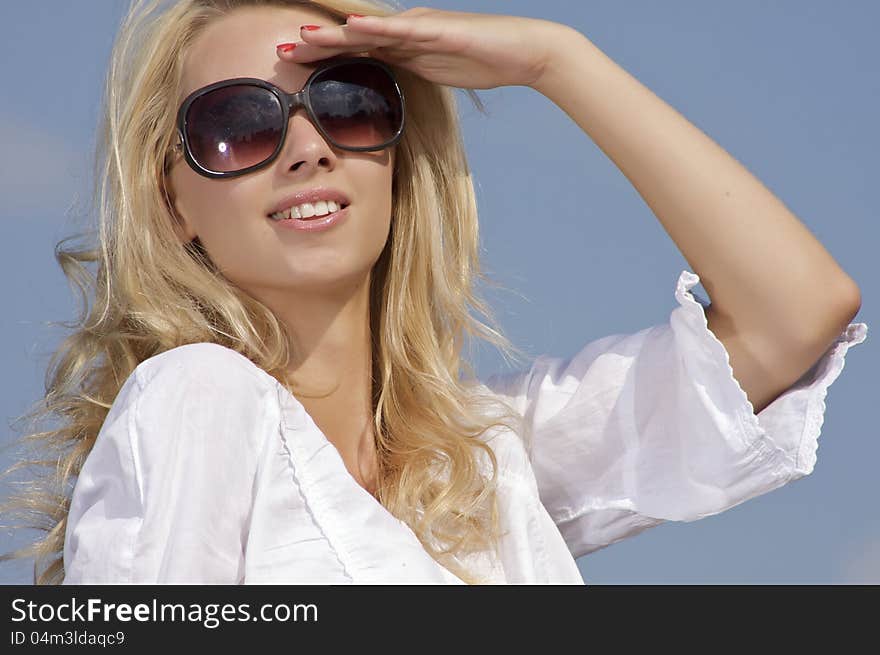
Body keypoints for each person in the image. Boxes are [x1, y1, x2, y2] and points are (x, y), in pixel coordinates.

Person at [0, 0, 867, 585]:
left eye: (348, 102)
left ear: (397, 157)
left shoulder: (488, 456)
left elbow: (795, 313)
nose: (306, 147)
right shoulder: (194, 398)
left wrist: (555, 59)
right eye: (237, 125)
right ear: (171, 199)